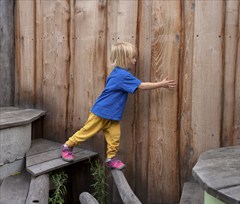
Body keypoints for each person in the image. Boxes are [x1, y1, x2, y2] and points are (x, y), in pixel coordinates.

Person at [61, 41, 176, 170]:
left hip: (113, 115)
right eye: (133, 57)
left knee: (114, 138)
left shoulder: (117, 73)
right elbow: (142, 86)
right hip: (101, 113)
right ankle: (67, 146)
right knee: (86, 133)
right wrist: (161, 84)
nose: (135, 61)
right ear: (124, 58)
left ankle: (111, 158)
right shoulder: (122, 75)